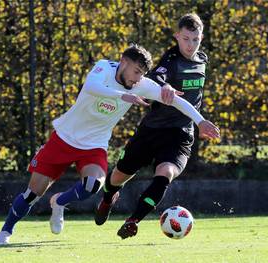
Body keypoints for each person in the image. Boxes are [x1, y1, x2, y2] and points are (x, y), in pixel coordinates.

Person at [0, 44, 218, 245]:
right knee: (32, 194)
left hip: (94, 145)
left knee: (94, 184)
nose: (138, 79)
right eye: (136, 72)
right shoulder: (103, 68)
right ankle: (6, 231)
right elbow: (91, 87)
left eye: (142, 74)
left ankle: (59, 202)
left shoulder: (141, 84)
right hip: (64, 137)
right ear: (124, 62)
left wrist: (200, 121)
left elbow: (177, 101)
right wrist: (122, 96)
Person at [94, 13, 220, 239]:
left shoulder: (202, 59)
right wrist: (166, 87)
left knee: (166, 173)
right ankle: (107, 198)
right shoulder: (170, 60)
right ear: (177, 37)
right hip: (152, 131)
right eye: (185, 39)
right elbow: (156, 77)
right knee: (117, 178)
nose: (191, 45)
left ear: (201, 38)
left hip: (180, 135)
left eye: (195, 39)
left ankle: (133, 220)